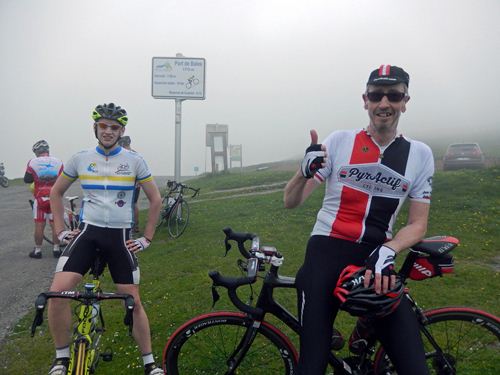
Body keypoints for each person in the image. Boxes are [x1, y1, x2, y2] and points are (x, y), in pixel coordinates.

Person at [284, 65, 434, 375]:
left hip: (375, 259)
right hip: (325, 253)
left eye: (393, 96)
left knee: (414, 366)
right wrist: (303, 171)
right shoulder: (339, 141)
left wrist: (390, 250)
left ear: (405, 101)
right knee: (311, 364)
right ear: (365, 100)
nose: (384, 104)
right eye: (377, 95)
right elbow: (291, 201)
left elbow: (418, 223)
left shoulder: (420, 154)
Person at [47, 103, 163, 375]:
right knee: (57, 293)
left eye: (114, 127)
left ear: (121, 130)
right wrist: (61, 231)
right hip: (89, 233)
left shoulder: (135, 161)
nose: (108, 131)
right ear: (95, 128)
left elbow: (155, 199)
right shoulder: (80, 158)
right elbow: (56, 193)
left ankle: (150, 364)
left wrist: (147, 237)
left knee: (132, 301)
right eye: (103, 126)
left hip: (120, 238)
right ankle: (61, 359)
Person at [24, 140, 64, 258]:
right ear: (48, 150)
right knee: (55, 224)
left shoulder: (32, 162)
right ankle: (56, 249)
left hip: (40, 198)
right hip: (54, 198)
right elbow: (63, 179)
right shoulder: (58, 162)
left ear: (36, 152)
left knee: (39, 225)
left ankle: (37, 251)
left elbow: (27, 180)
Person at [118, 135, 141, 234]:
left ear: (123, 144)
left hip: (129, 184)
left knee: (126, 204)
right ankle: (135, 226)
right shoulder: (136, 154)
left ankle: (129, 226)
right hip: (136, 184)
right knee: (133, 204)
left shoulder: (124, 155)